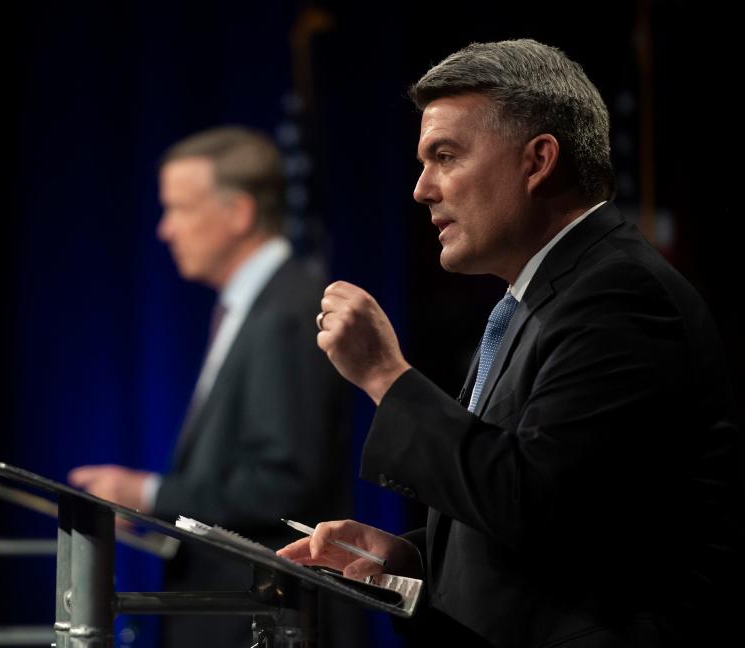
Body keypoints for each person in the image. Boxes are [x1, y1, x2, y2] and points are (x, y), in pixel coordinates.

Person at [279, 39, 743, 647]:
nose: (422, 189)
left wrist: (383, 375)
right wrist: (417, 559)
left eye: (445, 156)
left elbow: (538, 504)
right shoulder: (543, 296)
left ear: (538, 160)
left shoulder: (621, 296)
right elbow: (567, 515)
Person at [68, 126, 354, 648]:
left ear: (238, 213)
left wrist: (147, 493)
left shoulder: (286, 313)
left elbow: (285, 483)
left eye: (178, 208)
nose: (164, 229)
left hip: (262, 619)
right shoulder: (254, 306)